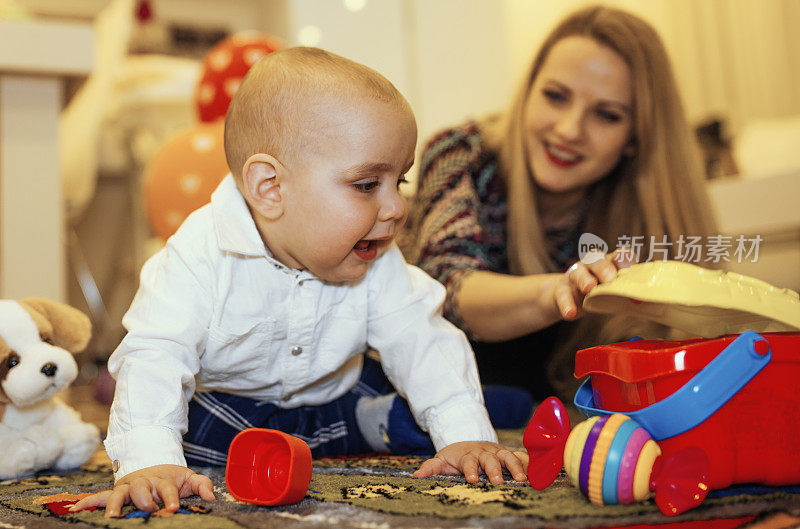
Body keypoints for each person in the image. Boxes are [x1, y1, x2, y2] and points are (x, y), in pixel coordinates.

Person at [71, 47, 527, 517]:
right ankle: (373, 426)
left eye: (401, 182)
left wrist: (466, 434)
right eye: (368, 185)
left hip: (335, 392)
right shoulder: (198, 256)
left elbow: (422, 337)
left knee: (409, 384)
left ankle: (394, 418)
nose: (395, 208)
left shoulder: (376, 255)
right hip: (236, 410)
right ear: (270, 189)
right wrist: (150, 462)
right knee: (195, 438)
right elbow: (157, 355)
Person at [408, 5, 718, 402]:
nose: (570, 129)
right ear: (528, 92)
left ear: (636, 138)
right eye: (555, 96)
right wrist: (560, 289)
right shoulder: (461, 156)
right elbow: (444, 287)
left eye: (606, 115)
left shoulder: (645, 212)